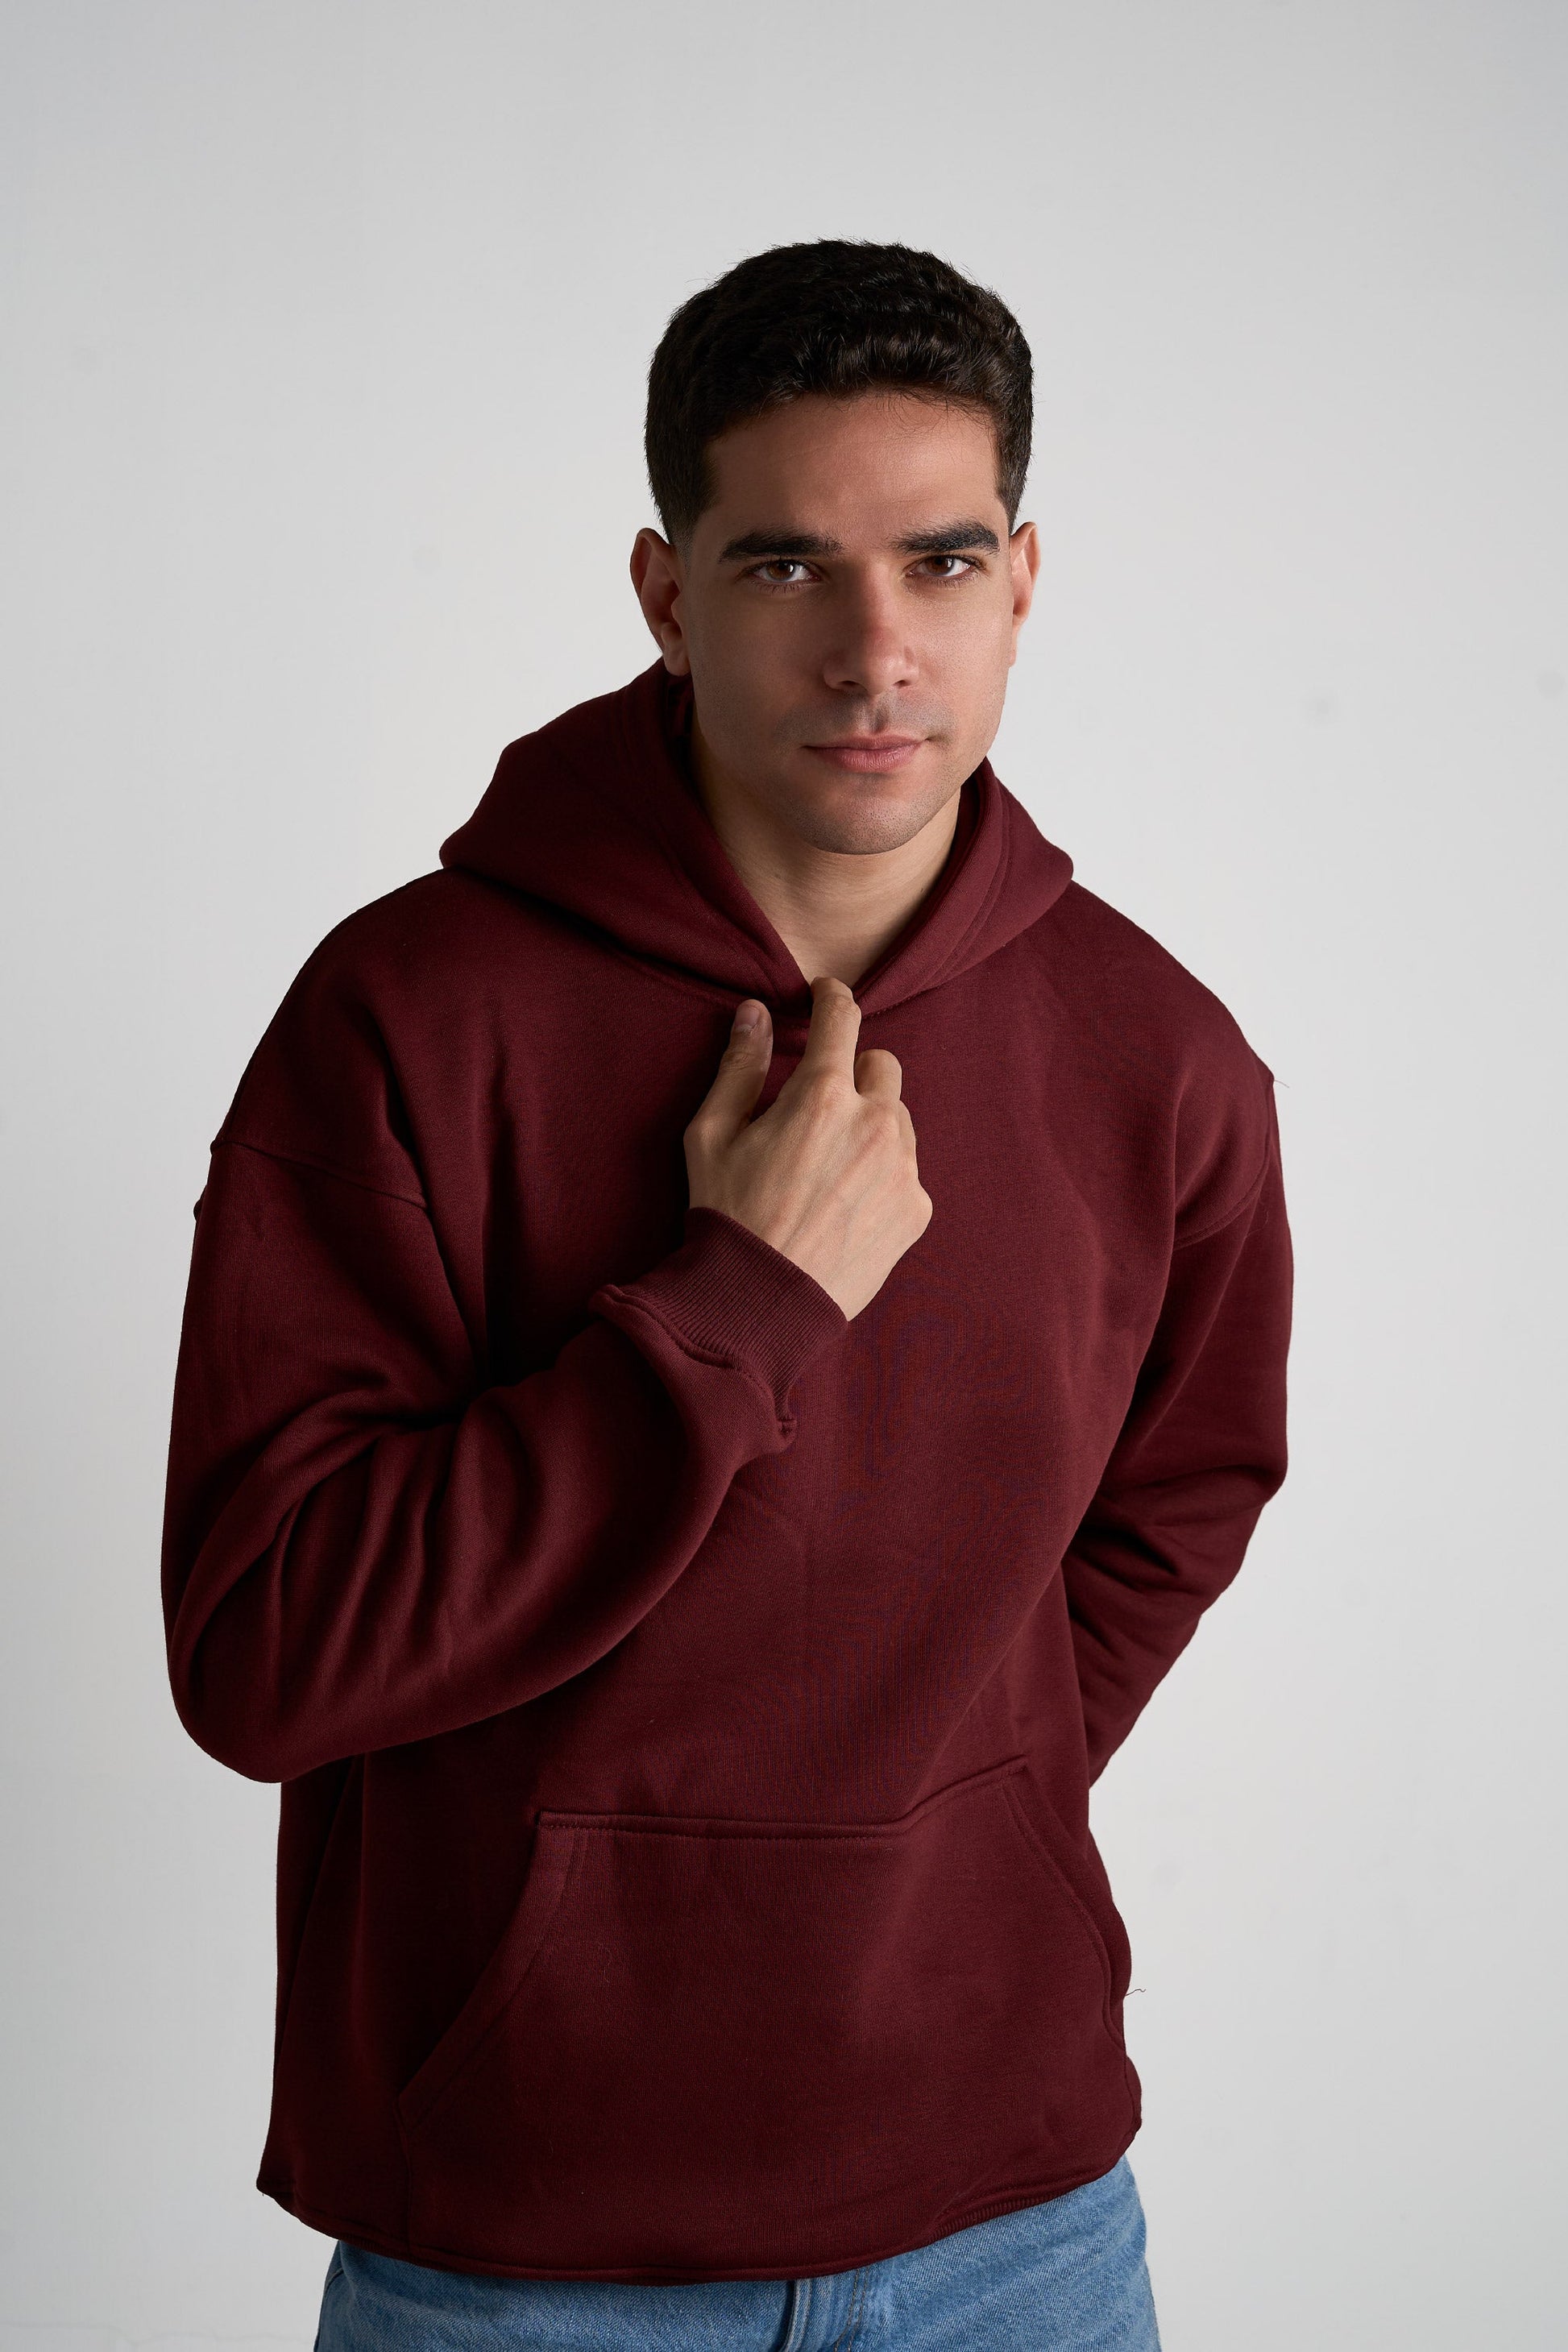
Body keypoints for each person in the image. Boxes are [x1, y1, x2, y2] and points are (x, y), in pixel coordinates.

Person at [161, 239, 1292, 2351]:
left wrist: (959, 1789)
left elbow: (1183, 1498)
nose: (877, 649)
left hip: (1020, 2232)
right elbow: (266, 1652)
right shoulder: (409, 1019)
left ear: (1023, 582)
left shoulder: (1157, 1056)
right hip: (526, 2251)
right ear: (666, 594)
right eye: (786, 566)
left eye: (941, 562)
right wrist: (739, 1306)